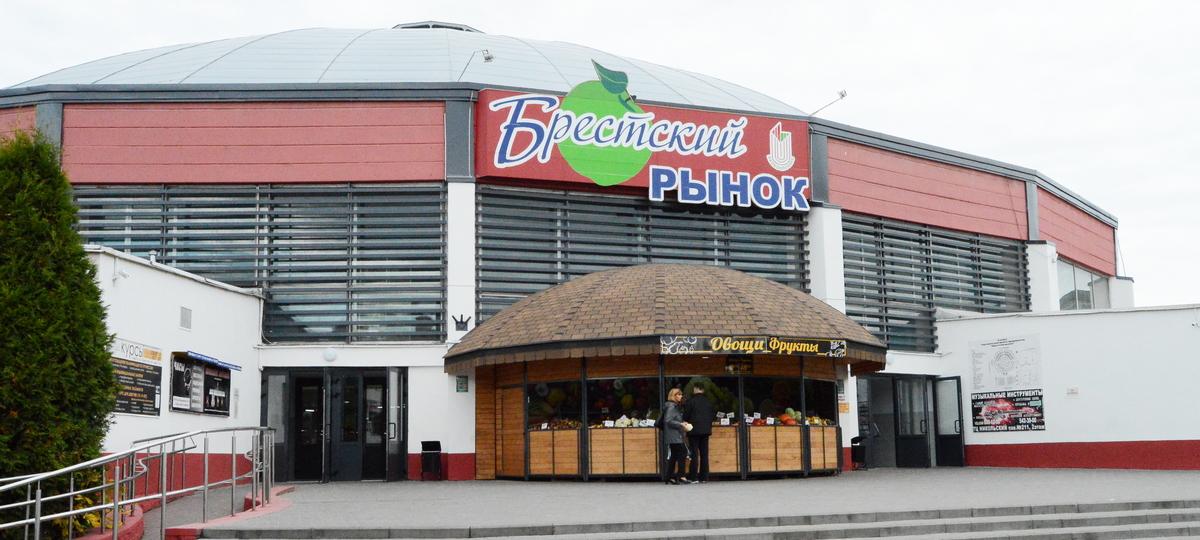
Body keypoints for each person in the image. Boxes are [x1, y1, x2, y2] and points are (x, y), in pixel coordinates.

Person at [682, 384, 716, 482]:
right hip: (706, 431)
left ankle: (693, 477)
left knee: (694, 454)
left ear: (695, 389)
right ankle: (704, 477)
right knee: (704, 454)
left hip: (693, 431)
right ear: (703, 390)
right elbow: (712, 415)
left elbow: (685, 416)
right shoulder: (708, 402)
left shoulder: (691, 402)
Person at [661, 387, 692, 484]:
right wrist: (681, 424)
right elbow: (668, 420)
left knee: (674, 455)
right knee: (683, 452)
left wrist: (682, 422)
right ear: (673, 396)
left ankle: (669, 477)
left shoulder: (673, 406)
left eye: (681, 394)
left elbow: (672, 419)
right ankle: (681, 476)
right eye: (678, 394)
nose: (681, 396)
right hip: (674, 435)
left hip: (672, 435)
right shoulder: (672, 407)